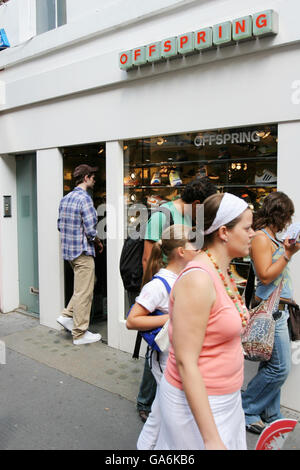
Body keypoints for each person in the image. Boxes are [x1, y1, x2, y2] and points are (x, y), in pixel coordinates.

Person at [154, 192, 254, 450]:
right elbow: (187, 361)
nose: (253, 233)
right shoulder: (198, 279)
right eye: (247, 227)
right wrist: (211, 439)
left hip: (224, 398)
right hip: (198, 406)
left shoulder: (222, 270)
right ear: (224, 232)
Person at [136, 177, 217, 423]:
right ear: (195, 203)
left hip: (182, 288)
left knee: (172, 345)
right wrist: (155, 296)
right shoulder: (163, 215)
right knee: (159, 344)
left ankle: (168, 397)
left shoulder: (190, 218)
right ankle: (145, 401)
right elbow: (147, 259)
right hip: (163, 291)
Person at [126, 225, 199, 449]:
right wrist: (171, 318)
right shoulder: (158, 285)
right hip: (166, 361)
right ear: (180, 251)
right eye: (192, 243)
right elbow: (132, 321)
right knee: (176, 419)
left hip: (178, 358)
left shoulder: (184, 277)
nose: (198, 248)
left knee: (160, 412)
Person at [242, 192, 300, 434]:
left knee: (272, 365)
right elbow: (265, 275)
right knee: (280, 367)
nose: (289, 220)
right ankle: (247, 409)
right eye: (288, 215)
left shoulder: (273, 238)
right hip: (270, 312)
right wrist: (288, 254)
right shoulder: (261, 238)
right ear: (281, 214)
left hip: (280, 309)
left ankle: (271, 413)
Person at [57, 164, 103, 346]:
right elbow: (91, 229)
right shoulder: (85, 199)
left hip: (70, 252)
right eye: (92, 176)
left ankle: (67, 316)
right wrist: (98, 241)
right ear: (85, 178)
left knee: (83, 287)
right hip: (83, 252)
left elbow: (60, 225)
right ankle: (79, 333)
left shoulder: (66, 198)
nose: (94, 179)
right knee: (85, 292)